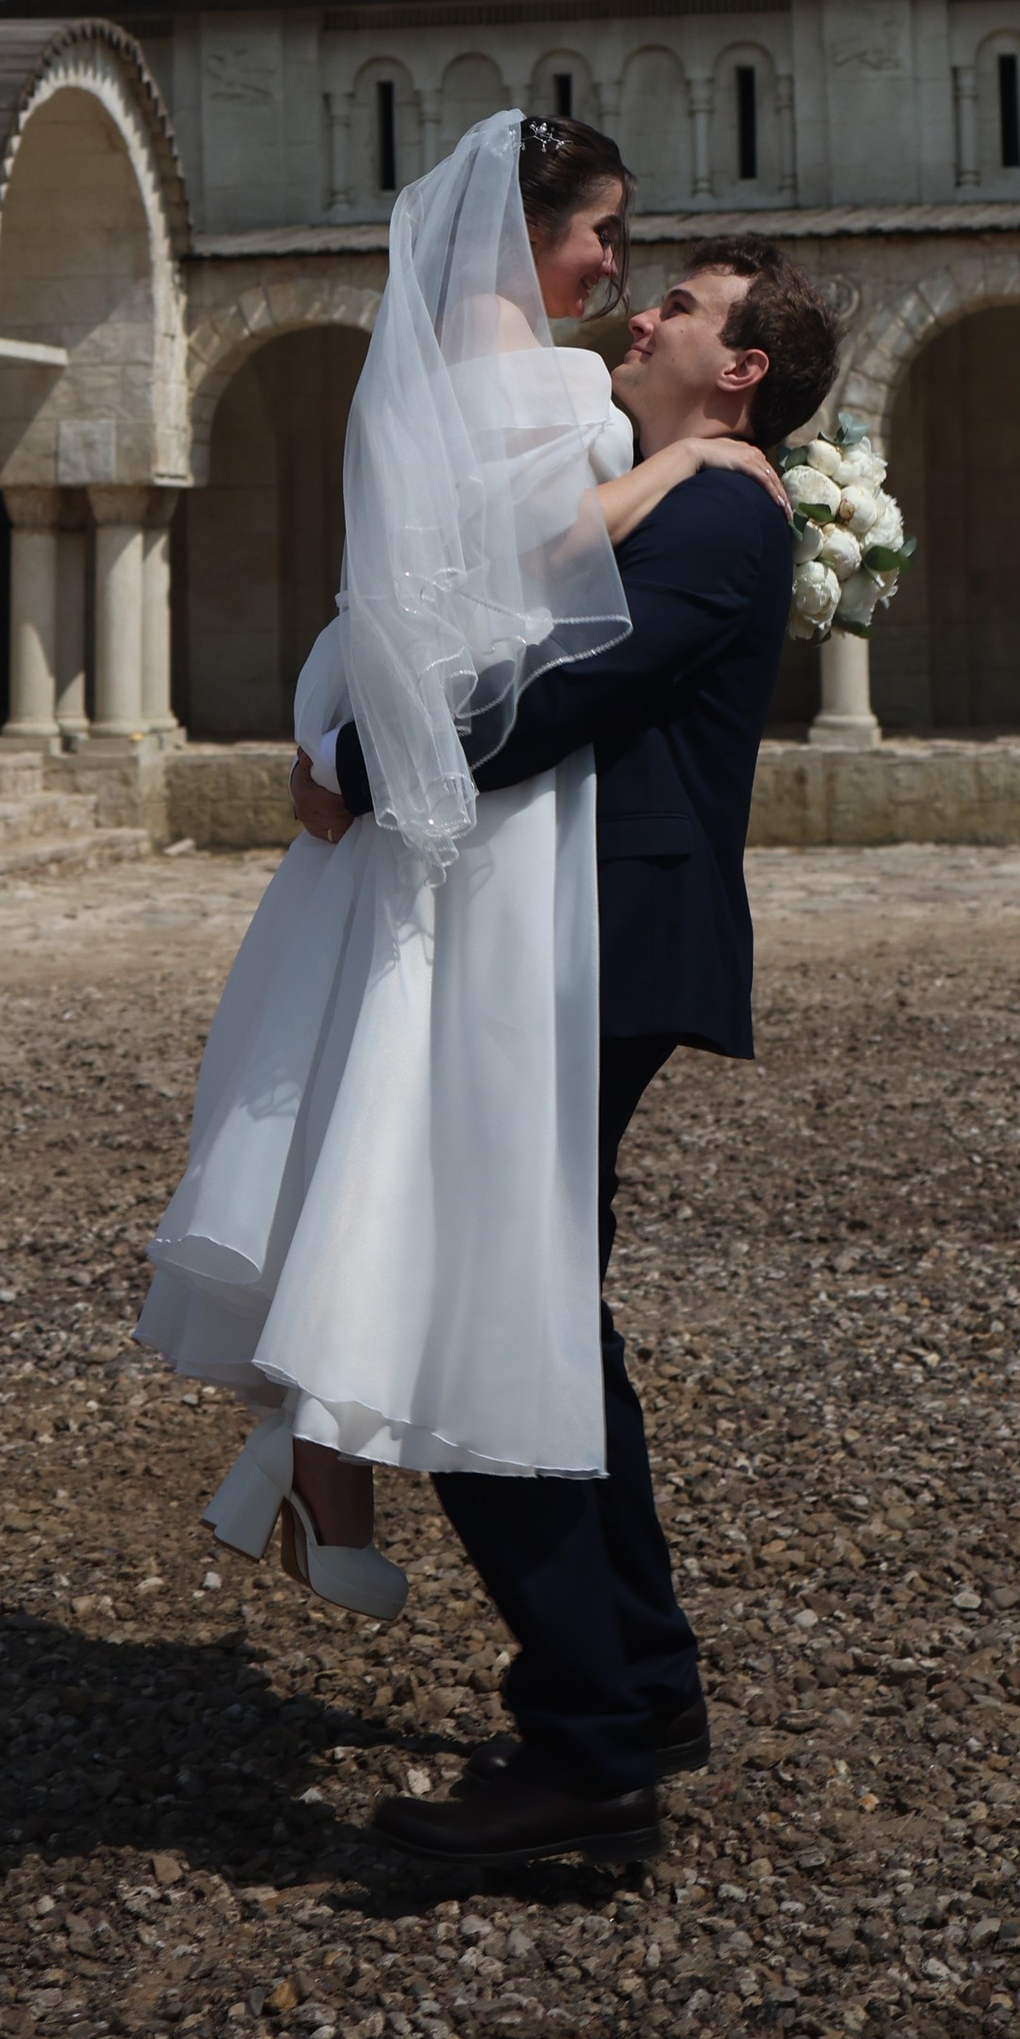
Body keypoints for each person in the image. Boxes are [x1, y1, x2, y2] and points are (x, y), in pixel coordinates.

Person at [135, 114, 786, 1618]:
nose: (621, 276)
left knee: (376, 1140)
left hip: (424, 788)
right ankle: (338, 1458)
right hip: (473, 818)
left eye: (651, 274)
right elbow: (556, 572)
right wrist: (698, 464)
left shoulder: (432, 381)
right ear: (527, 226)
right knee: (443, 1208)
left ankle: (317, 1449)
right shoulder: (565, 398)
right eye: (606, 236)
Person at [316, 232, 843, 1871]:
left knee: (477, 1314)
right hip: (593, 934)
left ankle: (588, 1754)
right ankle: (643, 1685)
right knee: (546, 1307)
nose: (643, 313)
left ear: (740, 367)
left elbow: (571, 692)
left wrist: (353, 752)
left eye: (680, 307)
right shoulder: (690, 486)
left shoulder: (717, 504)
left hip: (607, 942)